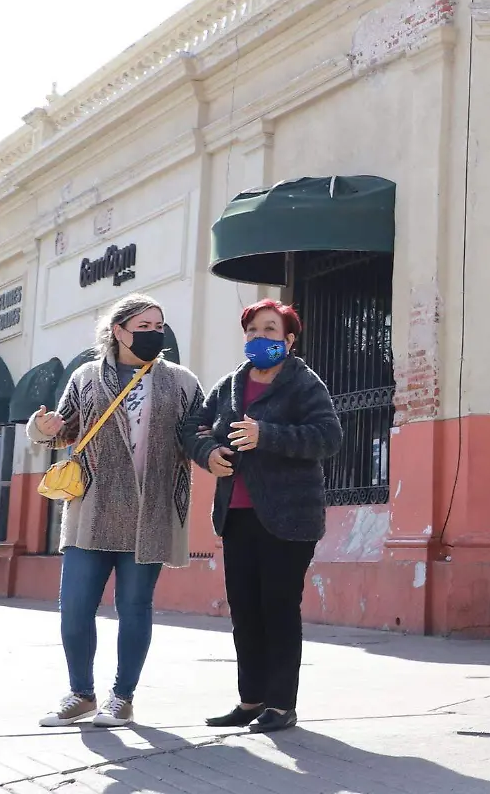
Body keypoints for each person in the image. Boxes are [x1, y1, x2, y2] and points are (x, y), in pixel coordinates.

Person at [30, 293, 200, 728]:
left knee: (135, 606)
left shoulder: (181, 381)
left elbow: (196, 435)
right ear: (118, 330)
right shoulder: (86, 377)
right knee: (74, 608)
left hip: (150, 511)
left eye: (157, 326)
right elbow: (60, 430)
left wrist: (213, 450)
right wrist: (42, 427)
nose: (152, 333)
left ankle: (121, 698)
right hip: (93, 509)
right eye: (142, 326)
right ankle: (80, 693)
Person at [183, 299, 342, 734]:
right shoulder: (230, 385)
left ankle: (281, 705)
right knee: (245, 611)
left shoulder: (303, 383)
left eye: (271, 330)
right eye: (253, 330)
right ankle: (250, 700)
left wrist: (265, 435)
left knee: (278, 608)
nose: (260, 338)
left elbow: (328, 437)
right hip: (236, 515)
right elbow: (193, 428)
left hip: (289, 519)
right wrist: (208, 453)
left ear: (289, 340)